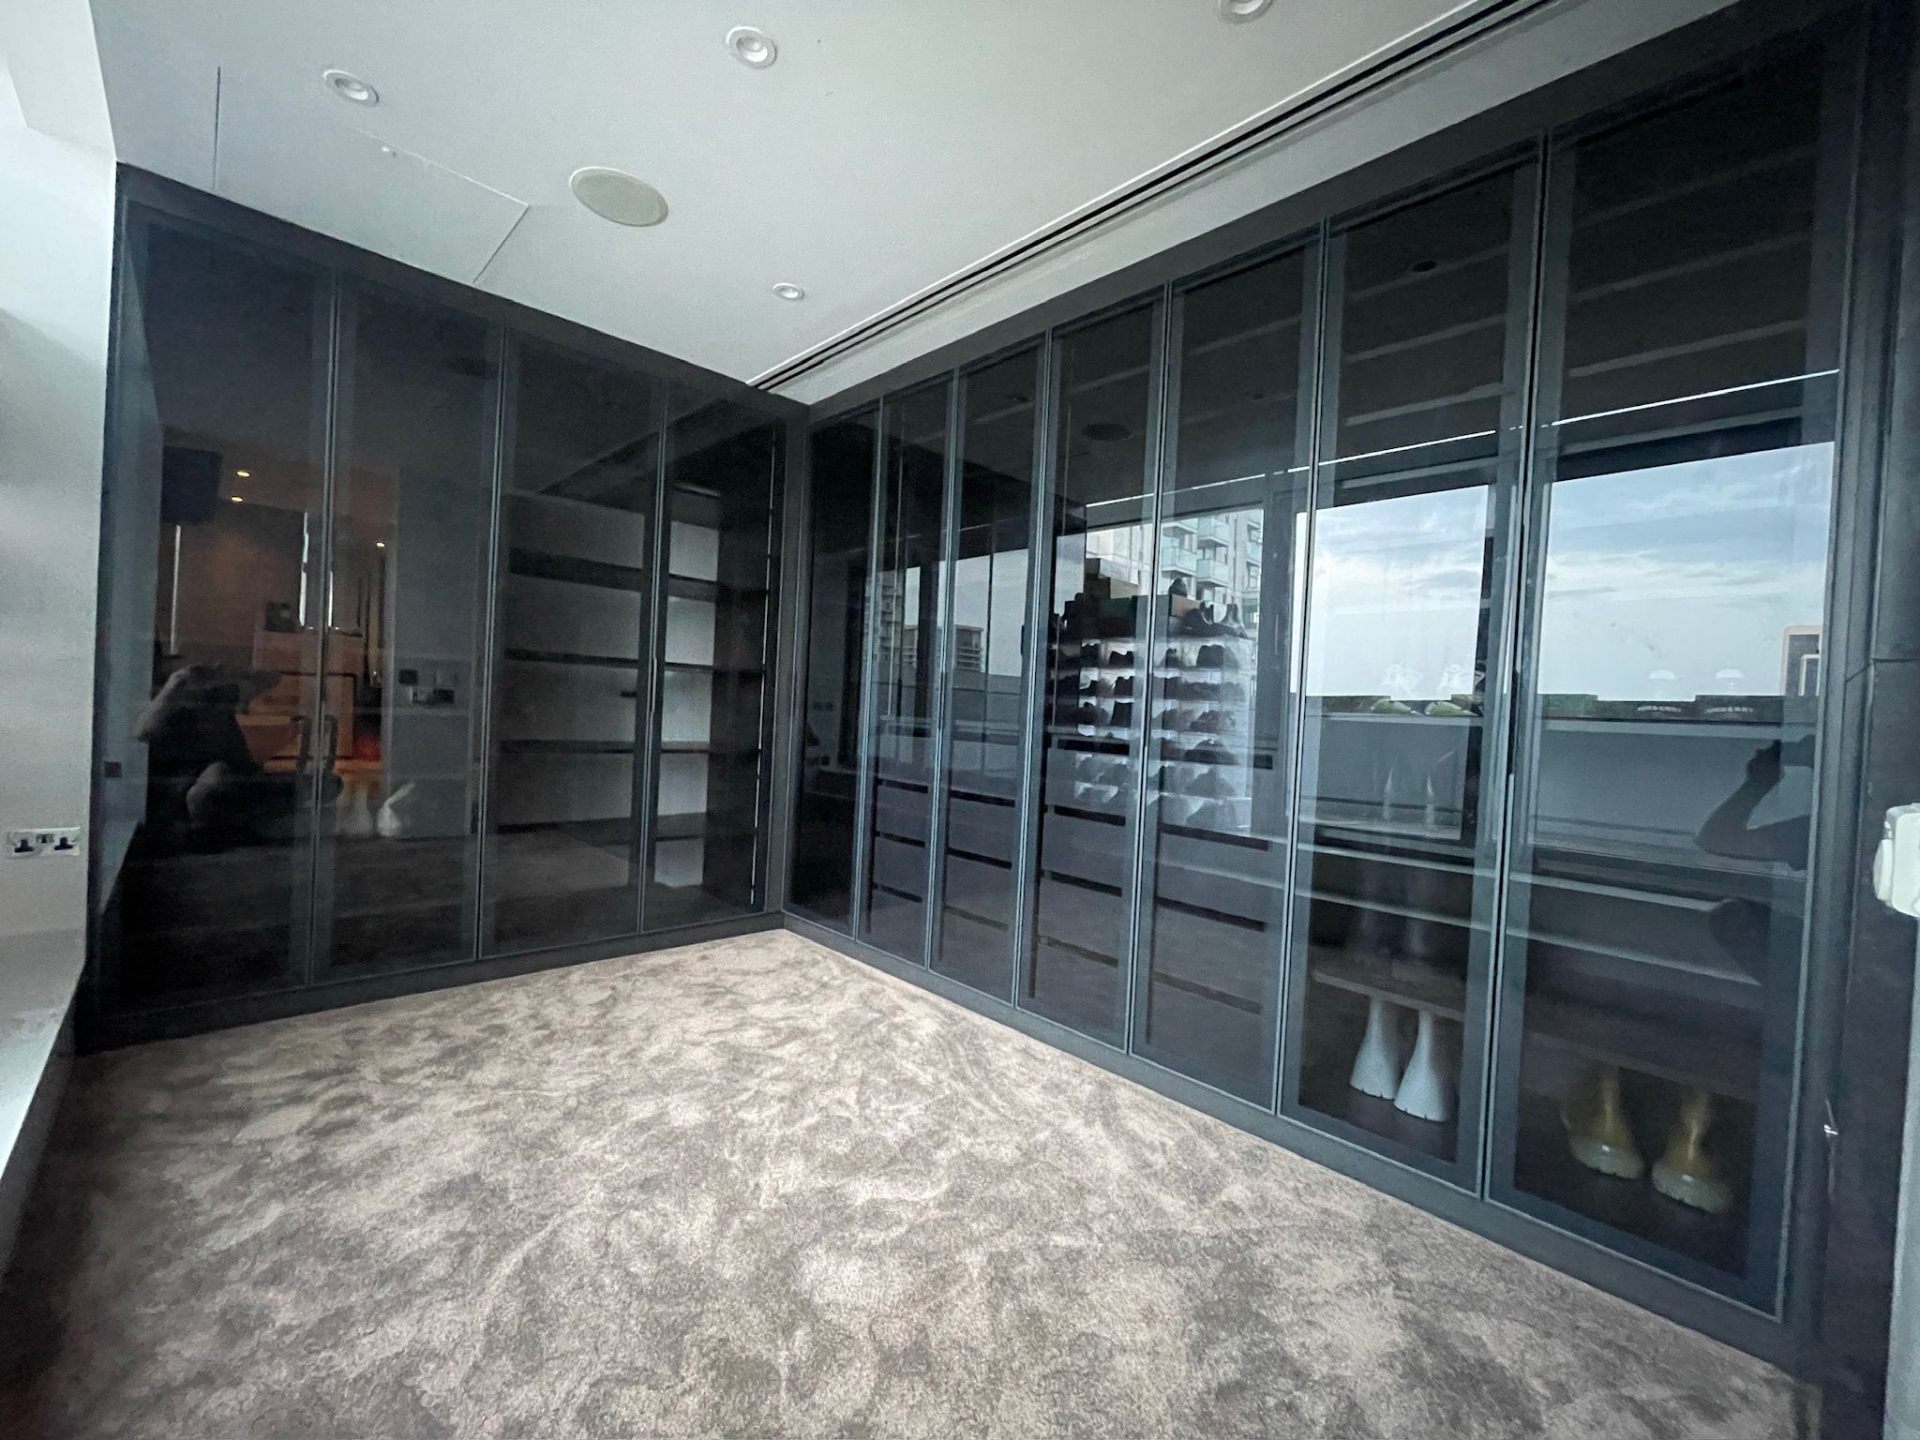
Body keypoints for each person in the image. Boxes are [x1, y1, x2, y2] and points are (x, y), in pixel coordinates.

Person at [135, 662, 290, 845]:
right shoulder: (172, 702)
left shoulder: (221, 693)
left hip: (236, 773)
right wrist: (176, 684)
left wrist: (227, 672)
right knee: (213, 781)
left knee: (321, 784)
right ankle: (206, 830)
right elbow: (143, 732)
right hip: (189, 780)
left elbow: (271, 678)